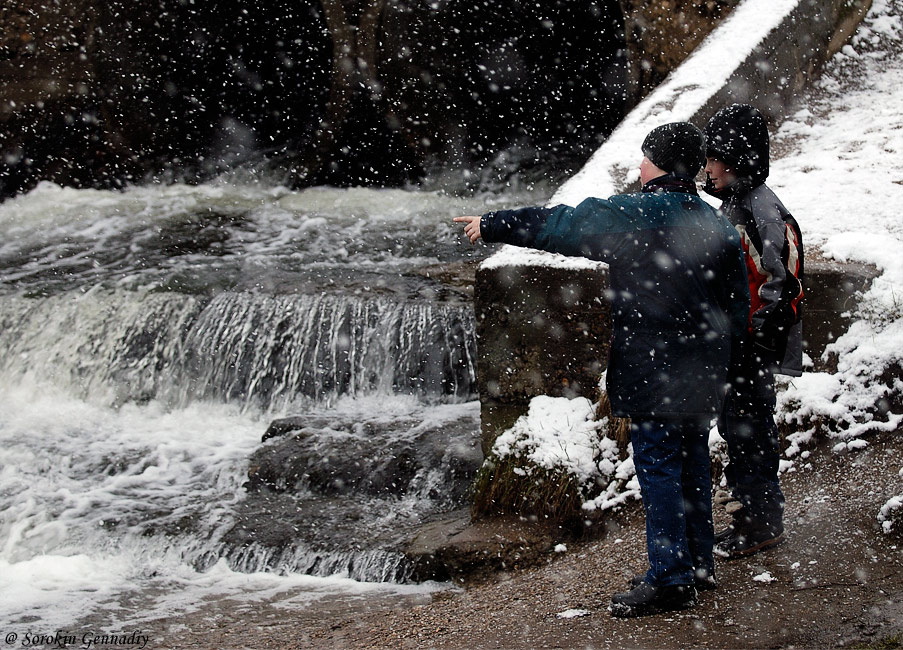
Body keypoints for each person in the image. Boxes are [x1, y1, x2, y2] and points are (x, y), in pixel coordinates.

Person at [454, 122, 750, 618]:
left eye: (644, 158)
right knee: (693, 462)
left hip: (655, 370)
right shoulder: (716, 223)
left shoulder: (636, 216)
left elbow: (563, 224)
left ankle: (673, 577)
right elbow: (737, 309)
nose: (638, 167)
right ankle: (697, 565)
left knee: (658, 469)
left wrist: (494, 223)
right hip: (701, 371)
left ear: (658, 164)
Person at [702, 103, 805, 559]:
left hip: (751, 348)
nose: (707, 168)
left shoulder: (764, 212)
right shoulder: (735, 204)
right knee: (736, 429)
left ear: (737, 160)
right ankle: (749, 515)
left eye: (713, 159)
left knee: (751, 431)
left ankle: (763, 521)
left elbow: (785, 285)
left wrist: (757, 339)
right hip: (733, 343)